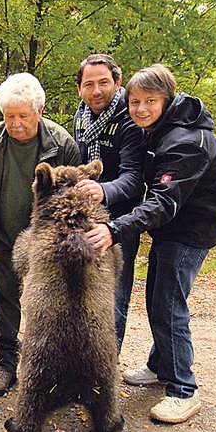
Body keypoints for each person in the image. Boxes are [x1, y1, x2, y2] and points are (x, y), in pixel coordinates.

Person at [85, 64, 216, 424]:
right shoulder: (159, 130)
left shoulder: (186, 141)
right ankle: (160, 365)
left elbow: (163, 200)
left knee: (167, 305)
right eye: (135, 102)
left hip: (190, 231)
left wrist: (115, 229)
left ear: (168, 99)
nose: (141, 109)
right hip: (170, 228)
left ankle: (183, 389)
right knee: (158, 299)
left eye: (151, 100)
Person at [0, 72, 81, 397]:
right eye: (9, 116)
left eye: (23, 116)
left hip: (46, 243)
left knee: (50, 305)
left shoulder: (62, 145)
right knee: (5, 298)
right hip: (3, 235)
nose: (16, 123)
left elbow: (76, 199)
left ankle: (47, 367)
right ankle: (7, 364)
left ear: (40, 110)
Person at [71, 54, 144, 353]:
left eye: (104, 82)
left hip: (121, 223)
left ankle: (104, 369)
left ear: (118, 82)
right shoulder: (81, 117)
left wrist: (102, 191)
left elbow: (134, 178)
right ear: (79, 89)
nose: (97, 90)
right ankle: (80, 361)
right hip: (86, 222)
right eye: (89, 84)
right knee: (81, 296)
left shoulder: (131, 120)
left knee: (114, 297)